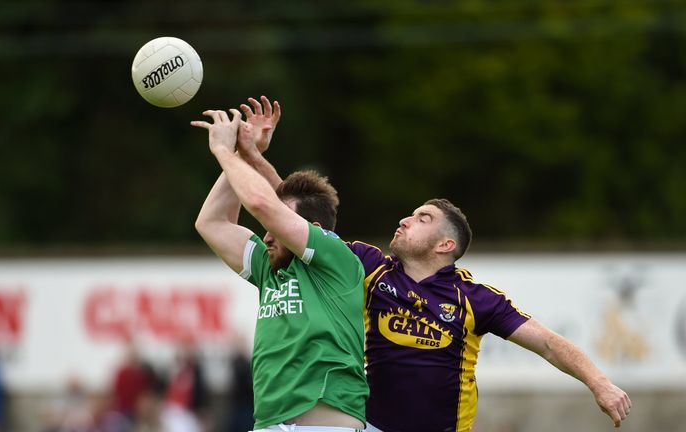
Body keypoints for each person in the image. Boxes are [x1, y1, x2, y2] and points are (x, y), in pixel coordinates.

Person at [234, 96, 633, 432]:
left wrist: (599, 383)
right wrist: (253, 158)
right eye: (411, 213)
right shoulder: (368, 266)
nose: (407, 219)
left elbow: (547, 341)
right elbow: (296, 222)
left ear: (445, 244)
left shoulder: (476, 299)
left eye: (422, 218)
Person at [191, 102, 369, 431]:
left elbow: (261, 203)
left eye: (277, 226)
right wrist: (247, 154)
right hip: (268, 423)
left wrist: (223, 150)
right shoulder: (269, 267)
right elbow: (211, 222)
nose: (266, 235)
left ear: (314, 228)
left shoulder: (336, 259)